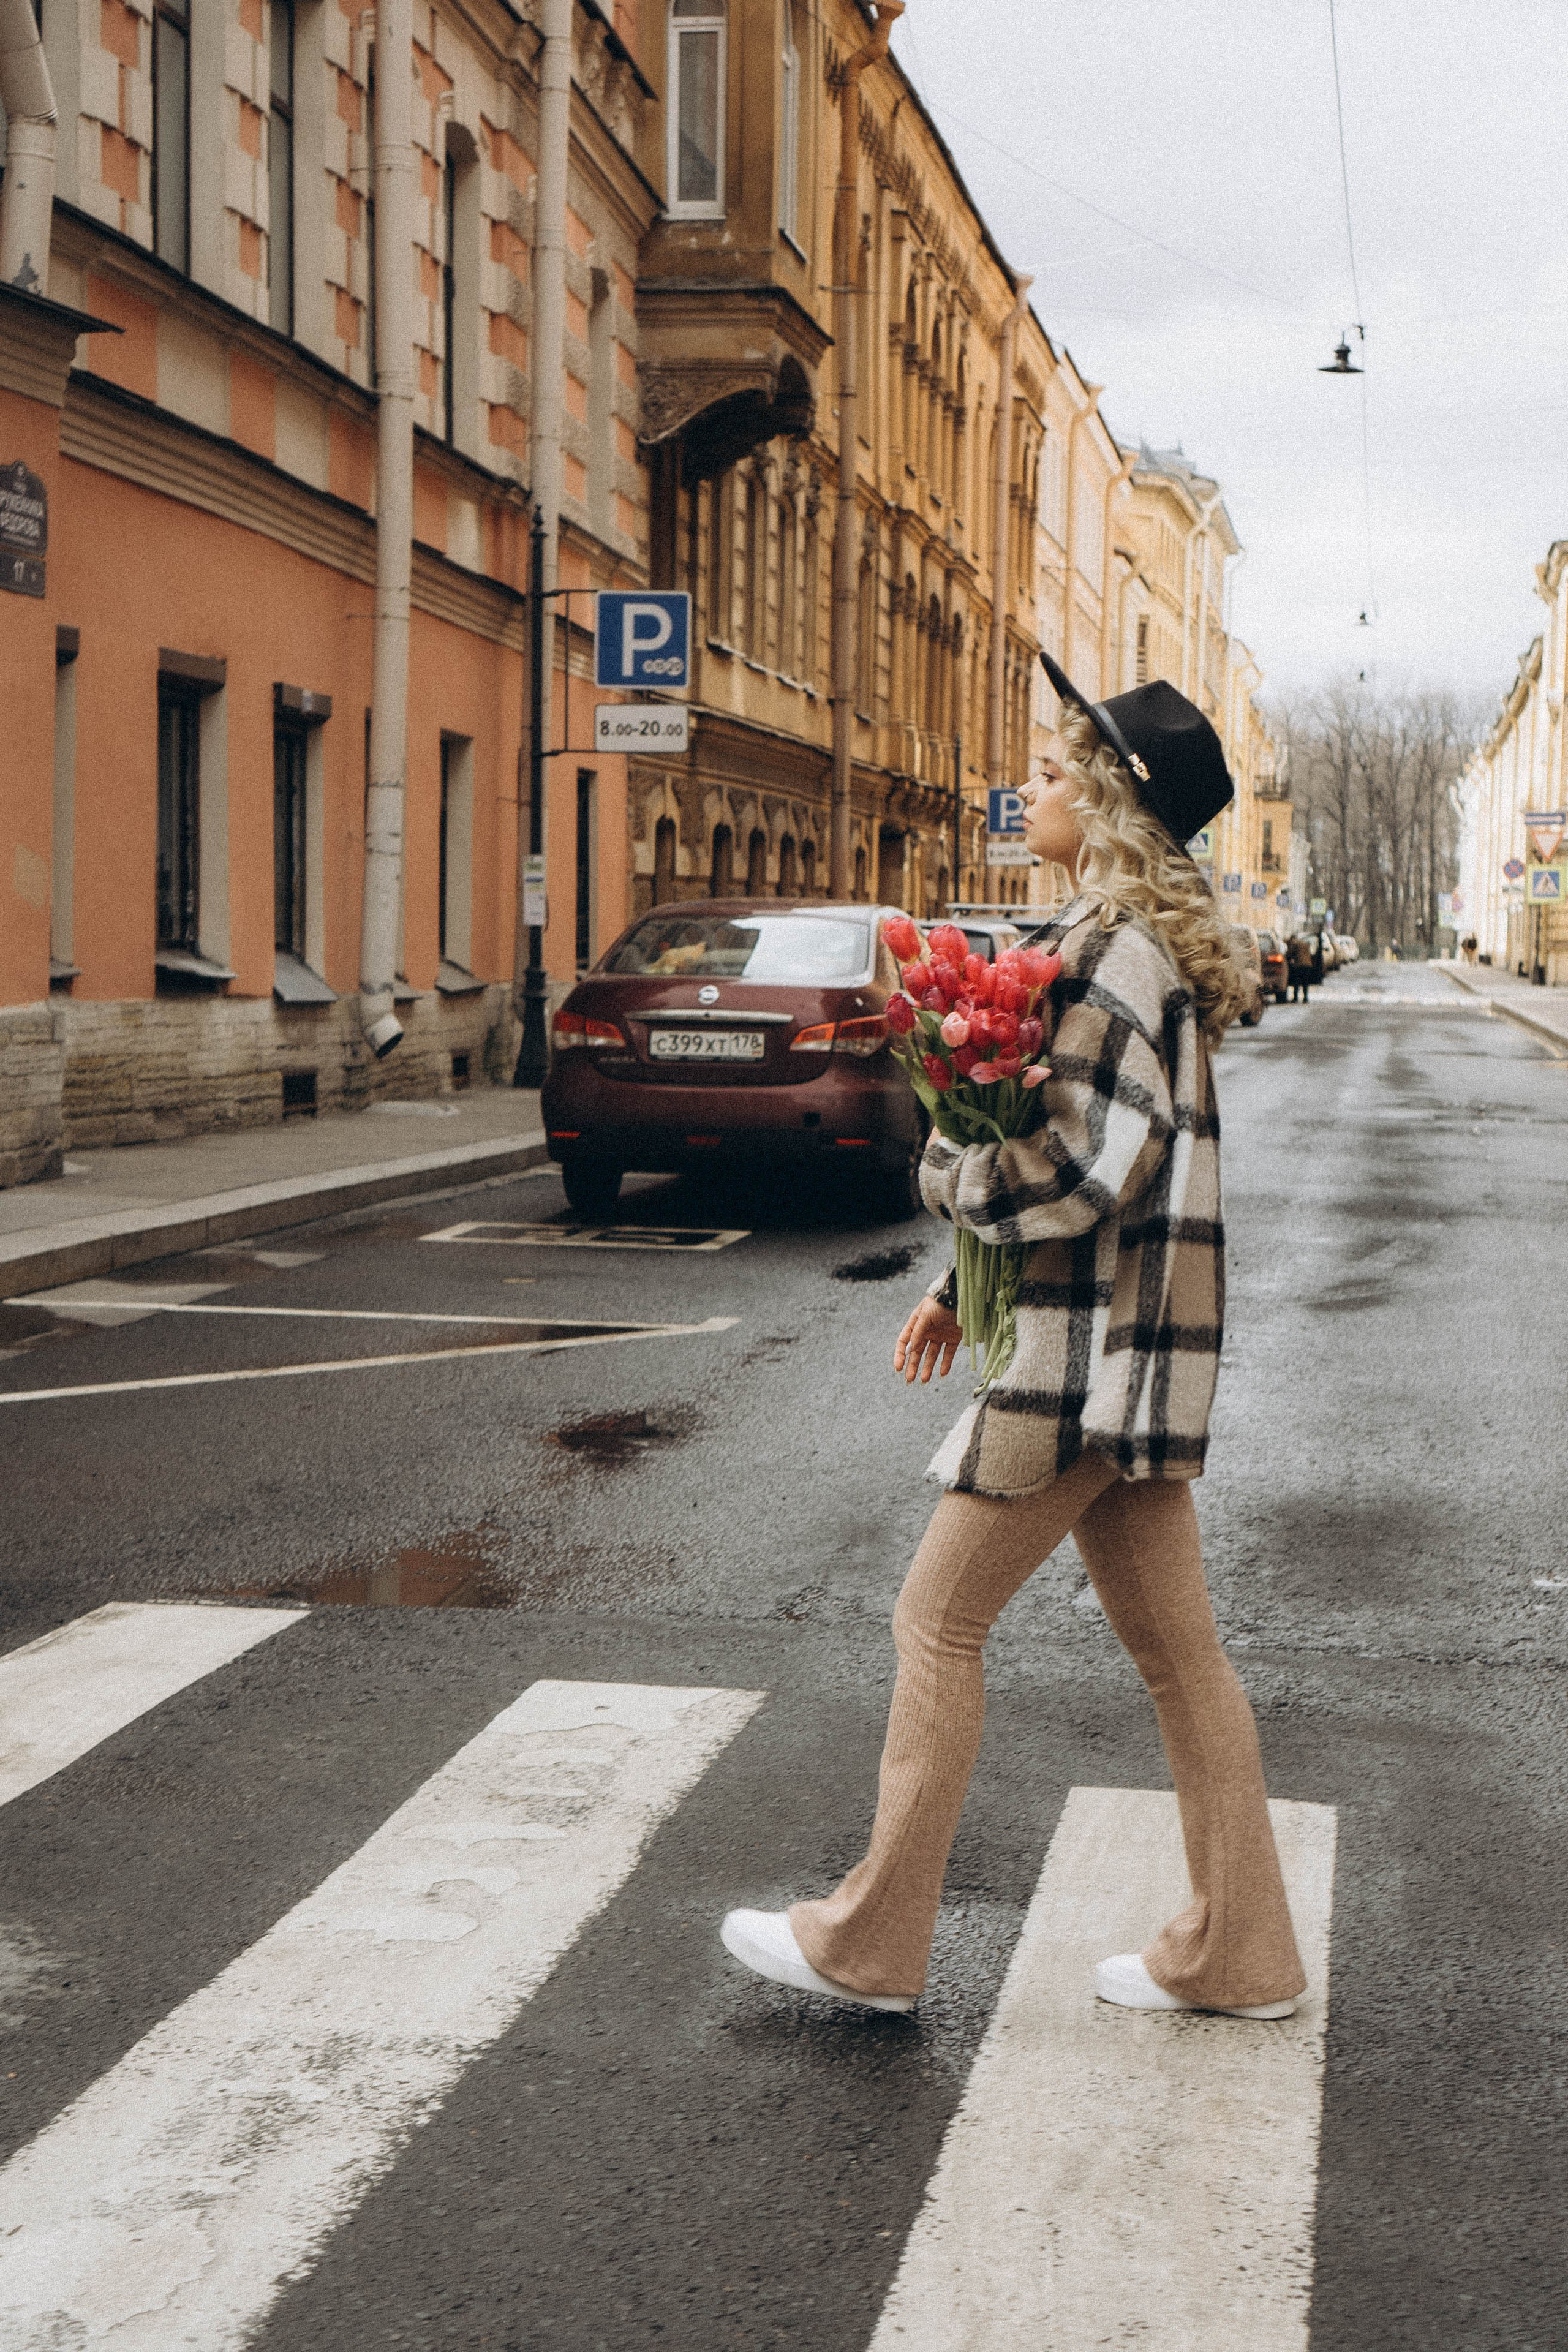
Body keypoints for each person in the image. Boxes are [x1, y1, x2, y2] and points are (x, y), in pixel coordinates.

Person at [721, 662, 1307, 2023]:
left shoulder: (1108, 953)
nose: (1029, 784)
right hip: (1130, 1348)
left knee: (935, 1621)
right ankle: (1245, 1953)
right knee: (1179, 1660)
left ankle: (869, 1941)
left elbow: (1076, 1169)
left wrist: (946, 1170)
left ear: (1110, 803)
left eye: (1055, 771)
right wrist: (954, 1278)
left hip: (1082, 1361)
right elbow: (1099, 1170)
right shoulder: (1122, 944)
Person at [1287, 931, 1316, 1002]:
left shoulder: (1294, 943)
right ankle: (1305, 998)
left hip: (1299, 965)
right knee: (1305, 982)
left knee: (1296, 982)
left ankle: (1295, 998)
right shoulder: (1305, 943)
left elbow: (1289, 954)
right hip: (1308, 965)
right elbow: (1311, 953)